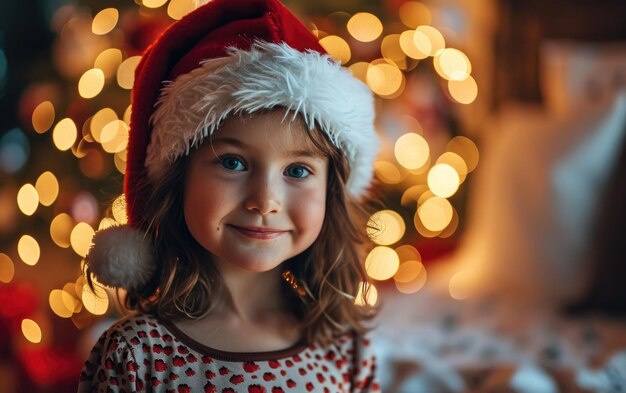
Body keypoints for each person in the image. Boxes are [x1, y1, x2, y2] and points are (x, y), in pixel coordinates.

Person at [77, 0, 381, 391]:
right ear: (179, 178)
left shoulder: (345, 346)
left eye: (298, 170)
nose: (265, 200)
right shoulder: (137, 353)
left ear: (330, 191)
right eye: (233, 163)